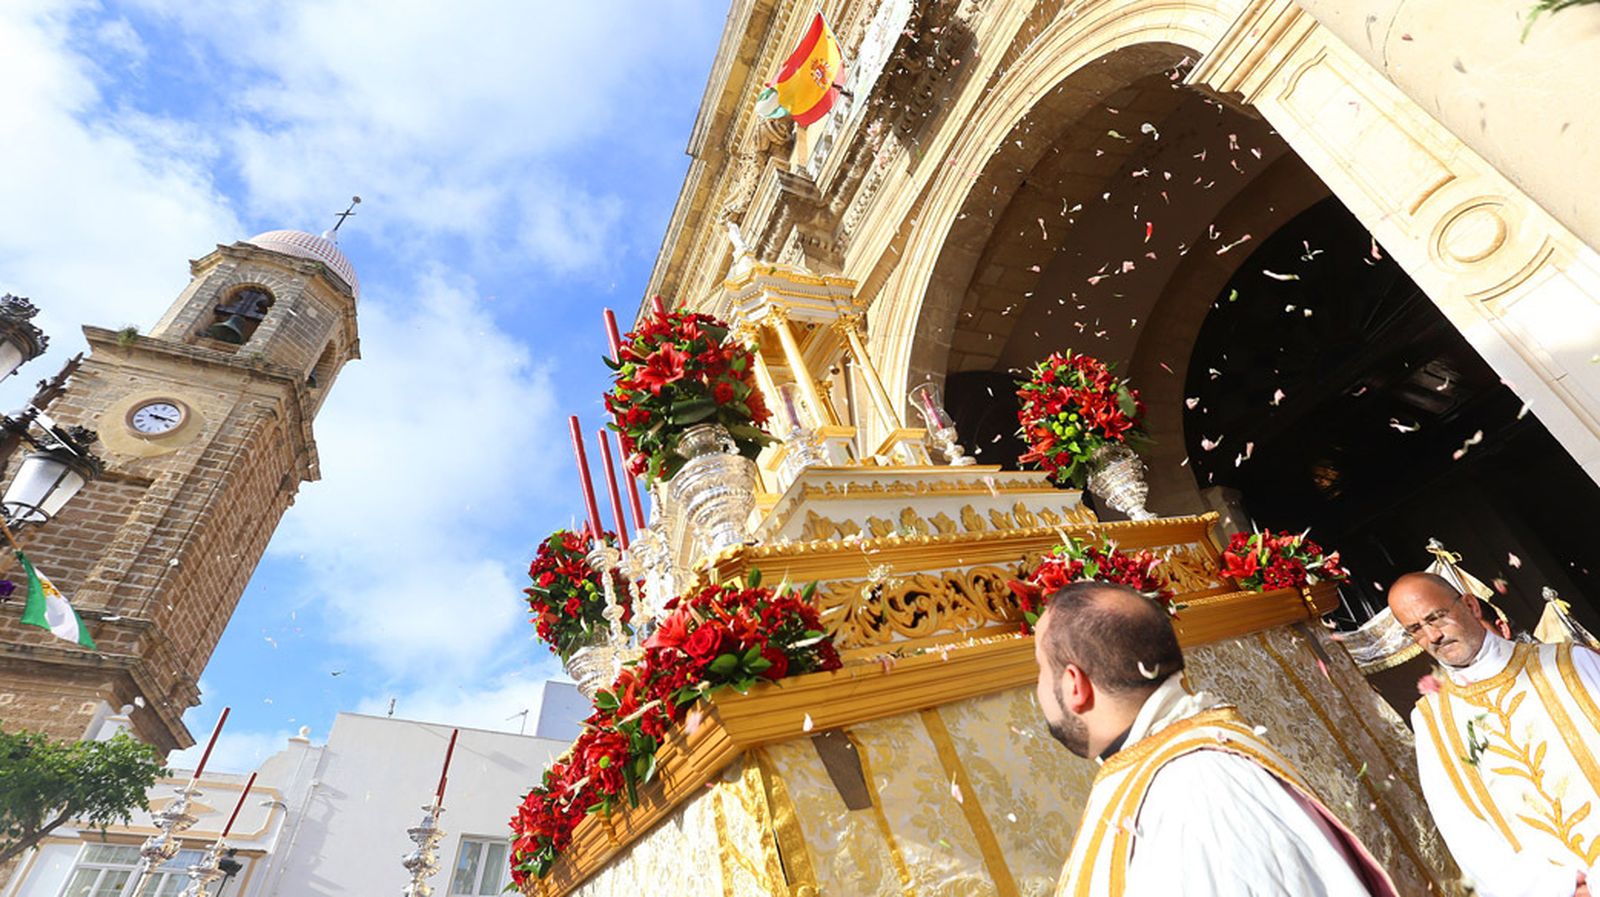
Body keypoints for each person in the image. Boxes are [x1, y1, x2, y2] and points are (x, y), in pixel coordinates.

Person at [1035, 581, 1397, 896]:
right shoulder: (1171, 770)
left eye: (1041, 670)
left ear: (1074, 685)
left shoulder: (1192, 788)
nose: (1040, 689)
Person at [1389, 572, 1600, 897]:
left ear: (1471, 606)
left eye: (1436, 617)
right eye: (1415, 630)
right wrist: (1558, 888)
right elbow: (1462, 829)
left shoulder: (1569, 662)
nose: (1433, 636)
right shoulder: (1431, 721)